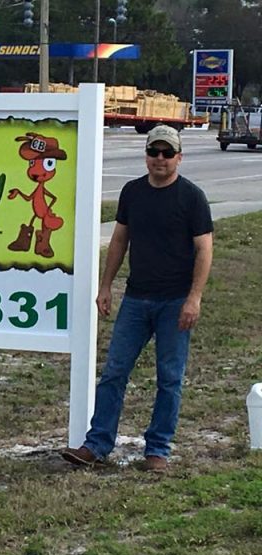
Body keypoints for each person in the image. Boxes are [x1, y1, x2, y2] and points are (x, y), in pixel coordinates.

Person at [61, 124, 213, 472]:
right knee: (114, 371)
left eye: (167, 153)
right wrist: (105, 286)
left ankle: (158, 450)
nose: (160, 159)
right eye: (154, 152)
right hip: (136, 299)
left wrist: (194, 298)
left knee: (169, 378)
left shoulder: (192, 197)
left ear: (179, 157)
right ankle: (96, 444)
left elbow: (204, 249)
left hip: (175, 301)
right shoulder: (132, 193)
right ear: (146, 155)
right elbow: (119, 241)